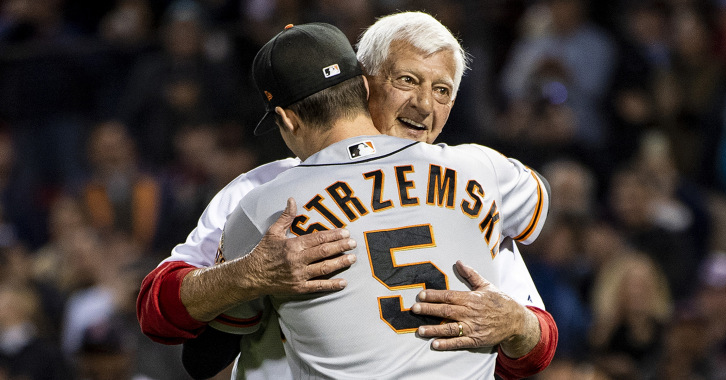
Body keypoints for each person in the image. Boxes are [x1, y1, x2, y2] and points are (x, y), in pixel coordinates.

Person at [136, 11, 557, 379]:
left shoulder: (470, 187)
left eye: (442, 90)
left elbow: (530, 351)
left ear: (285, 119)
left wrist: (518, 324)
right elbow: (169, 321)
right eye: (407, 81)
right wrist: (242, 276)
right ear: (364, 84)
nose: (424, 105)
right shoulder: (476, 177)